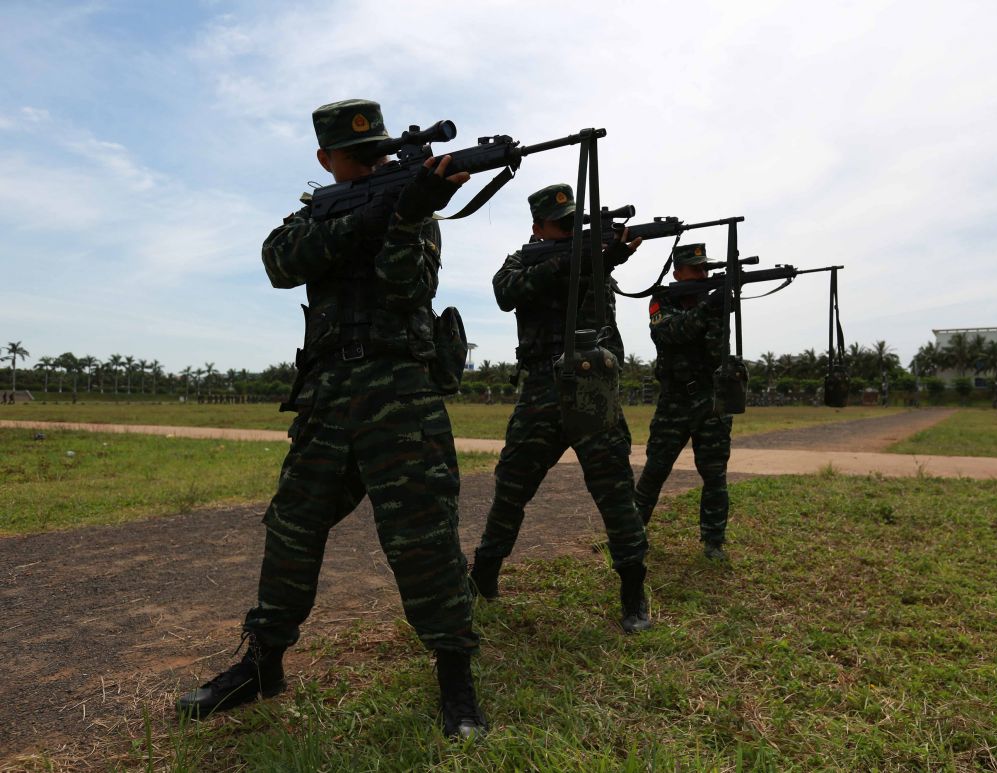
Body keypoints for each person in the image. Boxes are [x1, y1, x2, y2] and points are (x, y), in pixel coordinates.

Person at [175, 99, 486, 739]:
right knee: (292, 528)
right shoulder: (317, 213)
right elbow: (279, 264)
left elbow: (408, 288)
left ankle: (456, 680)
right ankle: (263, 665)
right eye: (359, 156)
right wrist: (366, 218)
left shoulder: (415, 207)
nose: (372, 164)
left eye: (378, 154)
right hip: (328, 396)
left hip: (400, 395)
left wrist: (405, 215)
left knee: (423, 538)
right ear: (327, 160)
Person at [468, 184, 652, 634]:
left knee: (615, 492)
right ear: (537, 228)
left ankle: (633, 589)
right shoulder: (521, 261)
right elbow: (507, 292)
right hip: (540, 391)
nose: (570, 231)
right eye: (561, 225)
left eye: (575, 224)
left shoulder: (598, 259)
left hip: (593, 391)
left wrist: (605, 258)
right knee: (511, 488)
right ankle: (484, 574)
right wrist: (576, 259)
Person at [633, 243, 734, 561]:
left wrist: (718, 307)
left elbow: (716, 349)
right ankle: (630, 535)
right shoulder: (662, 300)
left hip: (710, 399)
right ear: (677, 273)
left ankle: (714, 541)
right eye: (695, 269)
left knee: (714, 474)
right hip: (674, 400)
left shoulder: (710, 302)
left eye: (705, 268)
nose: (702, 274)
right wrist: (707, 307)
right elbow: (671, 333)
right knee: (655, 470)